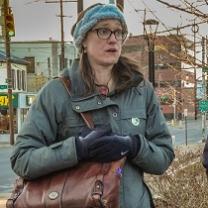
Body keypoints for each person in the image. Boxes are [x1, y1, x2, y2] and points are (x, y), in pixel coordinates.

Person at [10, 3, 174, 208]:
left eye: (119, 32)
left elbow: (164, 157)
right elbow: (22, 159)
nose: (113, 38)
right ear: (83, 41)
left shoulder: (141, 90)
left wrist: (134, 145)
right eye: (103, 30)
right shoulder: (55, 93)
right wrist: (78, 149)